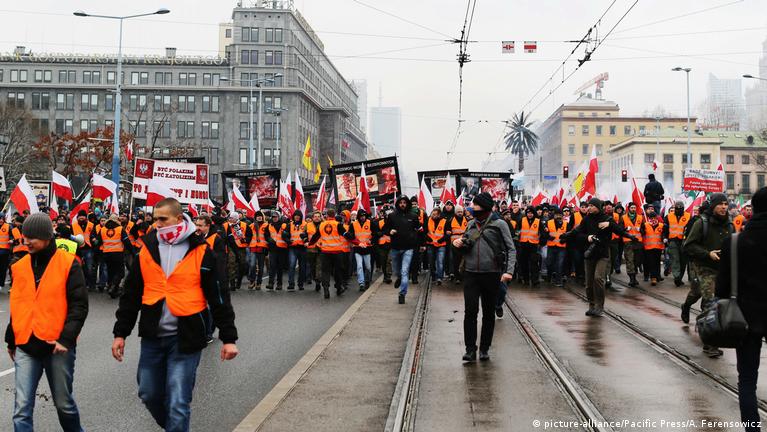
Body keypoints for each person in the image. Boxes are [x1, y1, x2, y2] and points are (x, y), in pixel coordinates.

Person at [112, 198, 238, 431]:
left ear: (178, 219)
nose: (157, 224)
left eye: (163, 219)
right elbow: (131, 294)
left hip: (187, 337)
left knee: (179, 400)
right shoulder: (147, 248)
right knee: (148, 392)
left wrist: (228, 338)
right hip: (153, 336)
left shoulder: (201, 250)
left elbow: (219, 296)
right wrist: (121, 333)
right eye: (154, 218)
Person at [5, 212, 88, 431]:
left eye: (32, 237)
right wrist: (11, 339)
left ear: (47, 237)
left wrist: (67, 339)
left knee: (64, 405)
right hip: (26, 346)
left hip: (57, 346)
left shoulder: (69, 264)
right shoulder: (19, 266)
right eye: (25, 236)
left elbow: (79, 306)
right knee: (21, 409)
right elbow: (19, 304)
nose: (26, 240)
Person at [715, 187, 767, 432]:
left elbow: (721, 288)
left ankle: (752, 429)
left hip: (744, 318)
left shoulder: (733, 242)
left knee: (747, 381)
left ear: (752, 210)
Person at [452, 192, 515, 362]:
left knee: (488, 313)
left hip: (492, 274)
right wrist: (458, 243)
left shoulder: (500, 224)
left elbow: (511, 248)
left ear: (485, 207)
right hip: (471, 274)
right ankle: (470, 349)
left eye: (475, 205)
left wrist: (509, 271)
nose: (472, 208)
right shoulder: (471, 224)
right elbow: (466, 245)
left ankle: (484, 348)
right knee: (470, 312)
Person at [682, 192, 732, 358]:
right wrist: (707, 254)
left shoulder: (729, 225)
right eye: (720, 204)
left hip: (723, 270)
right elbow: (688, 246)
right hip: (704, 267)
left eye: (726, 204)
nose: (724, 207)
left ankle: (686, 305)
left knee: (699, 294)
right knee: (710, 302)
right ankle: (710, 343)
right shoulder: (701, 223)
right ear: (713, 205)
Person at [565, 198, 634, 317]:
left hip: (602, 253)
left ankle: (599, 306)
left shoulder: (606, 219)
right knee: (589, 283)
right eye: (588, 206)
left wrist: (611, 225)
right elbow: (578, 233)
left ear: (597, 207)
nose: (589, 207)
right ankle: (591, 305)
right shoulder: (586, 219)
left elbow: (618, 230)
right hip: (589, 253)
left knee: (598, 278)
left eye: (591, 205)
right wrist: (587, 238)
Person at [385, 196, 422, 304]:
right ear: (397, 204)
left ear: (407, 204)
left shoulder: (413, 216)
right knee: (397, 271)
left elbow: (419, 229)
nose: (402, 204)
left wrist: (416, 239)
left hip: (408, 248)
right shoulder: (391, 216)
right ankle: (399, 277)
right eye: (400, 202)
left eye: (404, 202)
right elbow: (385, 229)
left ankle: (402, 293)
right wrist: (390, 231)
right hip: (395, 248)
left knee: (405, 270)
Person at [98, 214, 134, 298]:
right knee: (120, 272)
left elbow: (98, 242)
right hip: (118, 254)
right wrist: (133, 252)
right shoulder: (120, 229)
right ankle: (113, 286)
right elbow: (127, 242)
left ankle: (112, 289)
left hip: (106, 253)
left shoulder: (102, 229)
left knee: (111, 272)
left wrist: (97, 254)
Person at [315, 208, 347, 299]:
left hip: (325, 252)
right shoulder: (338, 225)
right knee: (337, 270)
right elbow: (346, 234)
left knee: (325, 271)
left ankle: (326, 289)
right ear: (334, 215)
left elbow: (316, 236)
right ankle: (338, 287)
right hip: (337, 252)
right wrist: (356, 241)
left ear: (327, 215)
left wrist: (309, 243)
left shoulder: (321, 225)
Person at [664, 201, 691, 286]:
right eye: (677, 208)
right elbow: (665, 228)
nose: (679, 210)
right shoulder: (668, 216)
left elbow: (691, 229)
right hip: (673, 240)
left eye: (680, 209)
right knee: (675, 259)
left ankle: (679, 277)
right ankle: (676, 277)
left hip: (684, 241)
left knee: (683, 261)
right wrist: (665, 237)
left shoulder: (688, 216)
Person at [347, 209, 373, 291]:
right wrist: (356, 242)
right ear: (358, 216)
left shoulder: (370, 223)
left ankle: (367, 280)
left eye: (364, 216)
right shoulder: (353, 224)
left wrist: (372, 241)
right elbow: (351, 236)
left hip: (367, 248)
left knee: (368, 267)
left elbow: (376, 233)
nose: (363, 217)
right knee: (359, 266)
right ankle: (361, 283)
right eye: (361, 216)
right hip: (357, 249)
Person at [224, 212, 250, 291]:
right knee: (231, 264)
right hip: (230, 247)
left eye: (231, 218)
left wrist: (245, 240)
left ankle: (239, 281)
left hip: (241, 248)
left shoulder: (244, 225)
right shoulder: (225, 225)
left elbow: (249, 235)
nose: (230, 219)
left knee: (242, 265)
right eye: (229, 218)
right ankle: (232, 284)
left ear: (236, 218)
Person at [620, 202, 644, 287]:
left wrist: (640, 229)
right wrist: (625, 229)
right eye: (632, 208)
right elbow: (619, 229)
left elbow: (645, 230)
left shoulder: (641, 217)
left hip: (638, 241)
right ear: (629, 208)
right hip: (628, 241)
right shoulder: (623, 217)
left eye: (634, 208)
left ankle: (635, 275)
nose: (633, 209)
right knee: (630, 260)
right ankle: (632, 278)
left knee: (637, 260)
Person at [518, 207, 543, 286]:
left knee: (534, 263)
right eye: (528, 213)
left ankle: (534, 280)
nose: (530, 214)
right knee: (524, 263)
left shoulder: (538, 221)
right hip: (523, 245)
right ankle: (526, 280)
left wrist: (541, 241)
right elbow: (517, 230)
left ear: (533, 214)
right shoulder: (522, 220)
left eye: (531, 213)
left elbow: (543, 232)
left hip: (533, 245)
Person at [72, 210, 96, 291]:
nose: (81, 217)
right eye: (80, 216)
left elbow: (94, 235)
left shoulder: (91, 225)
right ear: (77, 217)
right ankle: (81, 284)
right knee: (78, 268)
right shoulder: (73, 225)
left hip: (88, 248)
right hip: (77, 249)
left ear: (86, 217)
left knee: (89, 268)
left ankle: (91, 284)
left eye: (83, 216)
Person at [264, 211, 288, 290]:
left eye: (276, 217)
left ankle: (279, 284)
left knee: (280, 267)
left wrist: (286, 235)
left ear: (279, 217)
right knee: (272, 266)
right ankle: (271, 283)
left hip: (282, 249)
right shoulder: (269, 225)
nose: (274, 218)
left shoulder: (284, 225)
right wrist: (269, 239)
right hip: (273, 249)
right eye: (273, 217)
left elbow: (289, 234)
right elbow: (266, 235)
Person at [543, 207, 567, 287]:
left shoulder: (566, 223)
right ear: (554, 215)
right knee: (549, 263)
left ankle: (558, 281)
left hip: (561, 247)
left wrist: (564, 239)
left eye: (560, 214)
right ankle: (549, 276)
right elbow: (544, 233)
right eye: (557, 215)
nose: (558, 216)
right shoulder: (549, 222)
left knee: (559, 264)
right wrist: (548, 237)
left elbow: (569, 234)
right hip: (551, 246)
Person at [424, 208, 447, 285]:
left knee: (440, 261)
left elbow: (447, 233)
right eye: (432, 214)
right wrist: (428, 239)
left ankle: (439, 278)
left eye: (435, 214)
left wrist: (440, 240)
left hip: (441, 245)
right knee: (431, 262)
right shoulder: (428, 220)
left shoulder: (444, 221)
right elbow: (424, 231)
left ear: (439, 214)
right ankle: (433, 276)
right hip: (430, 244)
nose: (433, 216)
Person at [287, 210, 308, 291]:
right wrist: (288, 241)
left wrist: (306, 240)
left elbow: (308, 234)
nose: (297, 217)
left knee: (302, 267)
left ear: (301, 216)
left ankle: (300, 284)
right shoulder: (290, 224)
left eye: (298, 215)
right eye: (295, 215)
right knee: (292, 265)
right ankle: (291, 284)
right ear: (293, 216)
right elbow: (285, 234)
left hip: (302, 248)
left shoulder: (305, 224)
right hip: (293, 247)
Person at [247, 211, 268, 290]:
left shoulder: (266, 225)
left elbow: (268, 236)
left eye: (260, 216)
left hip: (262, 248)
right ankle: (252, 281)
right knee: (252, 265)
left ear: (263, 217)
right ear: (255, 217)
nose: (259, 217)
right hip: (253, 247)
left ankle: (259, 283)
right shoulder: (251, 226)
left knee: (261, 267)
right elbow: (248, 235)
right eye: (257, 216)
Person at [372, 207, 393, 284]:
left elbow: (391, 231)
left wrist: (383, 232)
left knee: (389, 260)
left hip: (390, 244)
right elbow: (375, 233)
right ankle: (385, 275)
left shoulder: (391, 222)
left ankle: (388, 275)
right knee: (383, 261)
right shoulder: (377, 222)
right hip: (381, 245)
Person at [448, 205, 468, 283]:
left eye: (461, 212)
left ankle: (462, 276)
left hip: (464, 243)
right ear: (455, 212)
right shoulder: (451, 220)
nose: (460, 213)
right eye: (458, 212)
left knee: (464, 261)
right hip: (454, 244)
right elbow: (447, 229)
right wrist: (448, 232)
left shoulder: (466, 219)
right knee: (455, 260)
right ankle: (457, 277)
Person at [642, 215, 664, 286]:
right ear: (649, 218)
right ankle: (653, 277)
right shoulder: (645, 225)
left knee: (657, 262)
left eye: (654, 218)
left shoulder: (661, 225)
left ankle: (657, 275)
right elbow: (642, 233)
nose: (653, 219)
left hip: (658, 247)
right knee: (651, 262)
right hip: (649, 247)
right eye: (651, 218)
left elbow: (663, 234)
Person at [305, 211, 323, 290]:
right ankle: (315, 279)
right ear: (312, 218)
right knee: (312, 267)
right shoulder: (308, 225)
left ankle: (318, 281)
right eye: (315, 216)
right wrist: (305, 241)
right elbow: (303, 234)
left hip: (321, 248)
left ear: (320, 217)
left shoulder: (324, 225)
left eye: (318, 216)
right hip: (311, 249)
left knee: (319, 266)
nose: (316, 218)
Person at [0, 213, 11, 291]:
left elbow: (14, 236)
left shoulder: (9, 226)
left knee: (2, 268)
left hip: (4, 251)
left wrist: (12, 240)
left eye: (2, 218)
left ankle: (1, 283)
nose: (1, 220)